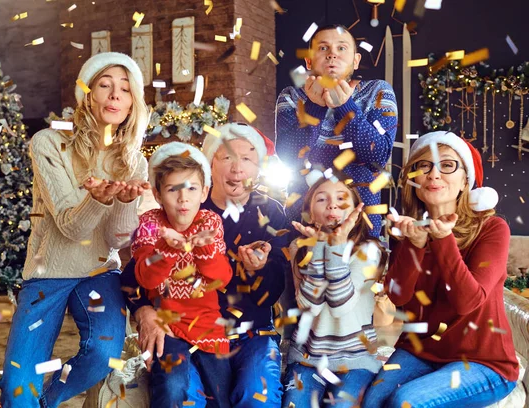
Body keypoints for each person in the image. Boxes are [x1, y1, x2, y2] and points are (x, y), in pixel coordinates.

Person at [0, 52, 151, 407]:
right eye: (105, 85)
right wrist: (97, 198)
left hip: (99, 272)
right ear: (88, 94)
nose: (115, 95)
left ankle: (46, 401)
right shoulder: (48, 143)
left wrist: (125, 202)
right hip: (47, 273)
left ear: (132, 104)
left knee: (103, 354)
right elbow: (69, 226)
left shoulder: (134, 162)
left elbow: (116, 240)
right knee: (17, 387)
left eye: (125, 89)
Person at [123, 123, 291, 407]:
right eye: (226, 157)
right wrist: (145, 313)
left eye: (247, 159)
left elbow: (273, 291)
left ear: (258, 168)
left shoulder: (271, 212)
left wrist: (258, 269)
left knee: (257, 396)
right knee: (185, 396)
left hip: (254, 334)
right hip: (185, 332)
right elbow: (133, 276)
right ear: (210, 166)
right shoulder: (184, 207)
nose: (237, 168)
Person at [362, 131, 518, 407]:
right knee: (372, 400)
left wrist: (443, 239)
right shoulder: (407, 229)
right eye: (424, 166)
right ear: (414, 181)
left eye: (447, 165)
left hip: (484, 362)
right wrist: (415, 245)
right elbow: (398, 298)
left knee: (405, 401)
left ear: (465, 181)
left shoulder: (492, 229)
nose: (434, 174)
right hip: (421, 351)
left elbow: (467, 301)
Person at [129, 142, 234, 407]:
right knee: (172, 386)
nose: (183, 198)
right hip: (167, 327)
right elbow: (145, 278)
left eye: (191, 189)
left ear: (204, 192)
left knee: (221, 396)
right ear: (157, 193)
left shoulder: (209, 222)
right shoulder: (150, 224)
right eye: (172, 189)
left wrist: (204, 248)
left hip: (207, 326)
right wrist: (166, 249)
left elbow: (222, 278)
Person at [275, 24, 398, 236]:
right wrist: (314, 108)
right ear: (309, 61)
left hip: (362, 219)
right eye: (323, 48)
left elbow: (378, 155)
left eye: (342, 48)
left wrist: (345, 107)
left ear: (356, 60)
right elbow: (289, 156)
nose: (332, 54)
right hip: (304, 218)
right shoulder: (291, 97)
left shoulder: (378, 91)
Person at [281, 169, 387, 408]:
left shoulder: (369, 251)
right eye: (322, 199)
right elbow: (310, 306)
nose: (332, 205)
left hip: (357, 360)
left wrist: (335, 248)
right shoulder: (299, 247)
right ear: (309, 215)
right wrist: (318, 247)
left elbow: (340, 306)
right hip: (308, 358)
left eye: (341, 199)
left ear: (356, 213)